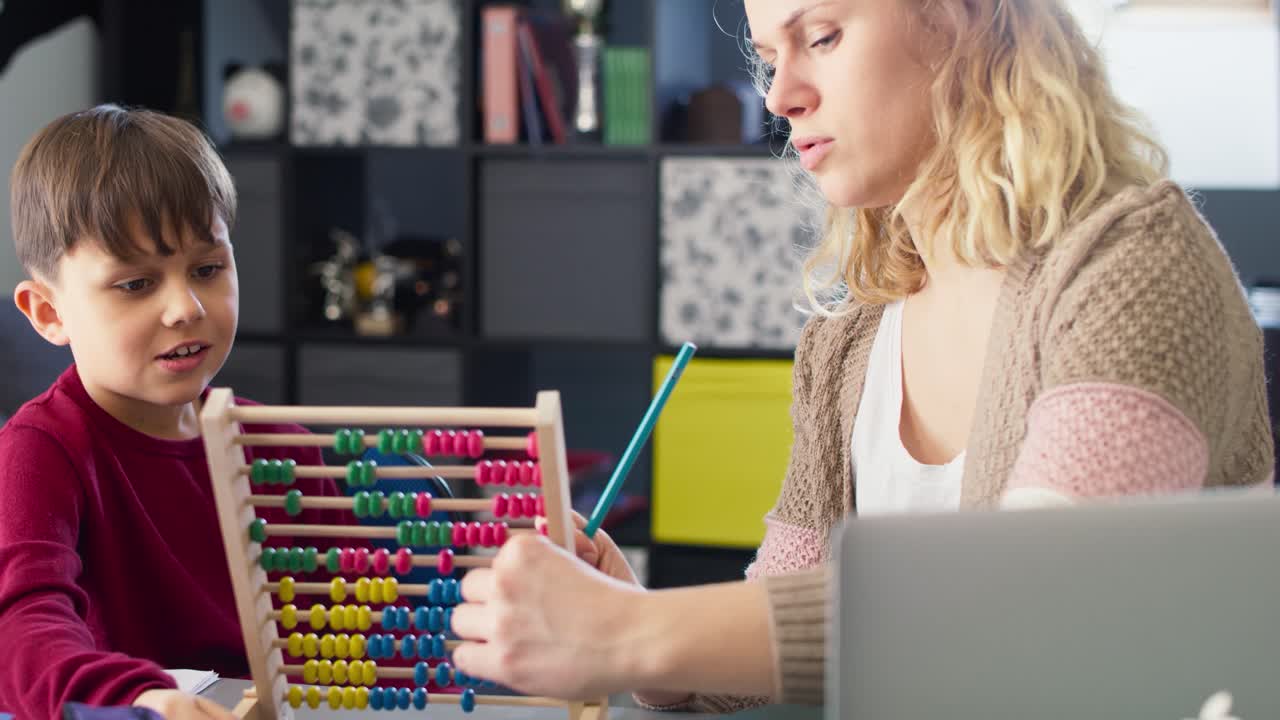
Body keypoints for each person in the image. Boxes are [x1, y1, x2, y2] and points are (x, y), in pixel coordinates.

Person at [448, 0, 1275, 712]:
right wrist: (625, 625)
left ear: (957, 21)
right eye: (769, 57)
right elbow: (779, 628)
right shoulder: (849, 343)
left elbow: (1034, 604)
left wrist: (633, 632)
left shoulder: (1133, 265)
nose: (779, 96)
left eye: (822, 37)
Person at [0, 105, 349, 720]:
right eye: (136, 284)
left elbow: (354, 625)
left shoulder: (280, 447)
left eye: (207, 269)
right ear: (49, 313)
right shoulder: (38, 453)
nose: (186, 308)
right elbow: (22, 624)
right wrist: (136, 698)